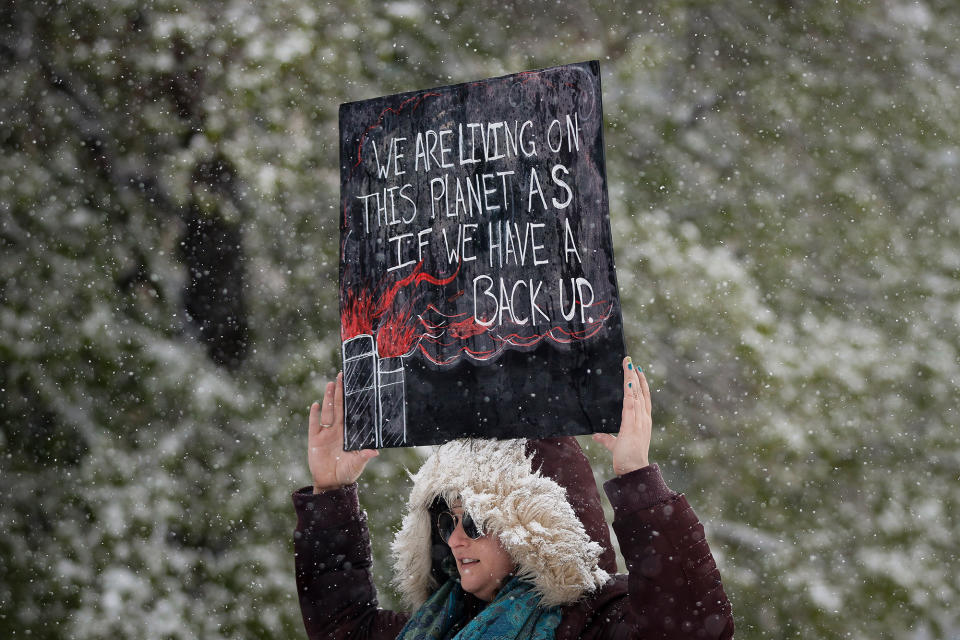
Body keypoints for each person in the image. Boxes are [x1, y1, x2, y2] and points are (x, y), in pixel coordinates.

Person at [294, 356, 734, 639]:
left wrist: (636, 476)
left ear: (533, 530)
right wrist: (331, 492)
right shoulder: (438, 625)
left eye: (476, 522)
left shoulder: (597, 624)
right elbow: (343, 628)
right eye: (449, 521)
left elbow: (692, 629)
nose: (454, 540)